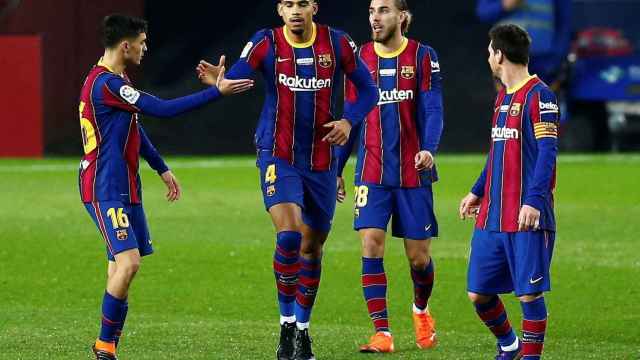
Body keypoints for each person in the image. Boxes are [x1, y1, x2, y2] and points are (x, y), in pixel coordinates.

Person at [197, 1, 378, 359]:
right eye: (288, 4)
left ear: (314, 7)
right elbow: (236, 75)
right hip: (277, 154)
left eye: (302, 3)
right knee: (290, 234)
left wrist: (348, 121)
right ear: (280, 9)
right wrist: (220, 83)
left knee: (312, 248)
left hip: (322, 160)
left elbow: (369, 91)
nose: (295, 10)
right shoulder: (266, 43)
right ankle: (285, 325)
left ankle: (303, 329)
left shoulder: (338, 43)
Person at [80, 14, 253, 360]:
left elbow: (133, 127)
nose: (146, 49)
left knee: (119, 267)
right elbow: (161, 109)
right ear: (126, 45)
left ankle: (108, 345)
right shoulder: (106, 84)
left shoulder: (116, 78)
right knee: (128, 264)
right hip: (104, 186)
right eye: (142, 43)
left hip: (124, 184)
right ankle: (104, 345)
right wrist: (215, 93)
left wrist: (161, 167)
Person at [334, 0, 443, 353]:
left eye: (383, 10)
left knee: (418, 259)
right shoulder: (359, 57)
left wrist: (429, 147)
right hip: (372, 171)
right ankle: (382, 332)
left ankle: (421, 309)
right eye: (371, 10)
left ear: (402, 16)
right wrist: (336, 169)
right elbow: (350, 116)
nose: (375, 17)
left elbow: (433, 108)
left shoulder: (423, 56)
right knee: (370, 244)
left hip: (414, 171)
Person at [459, 24, 559, 359]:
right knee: (478, 293)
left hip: (525, 217)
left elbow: (547, 152)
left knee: (529, 296)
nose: (488, 56)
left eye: (490, 51)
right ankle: (510, 345)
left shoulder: (539, 95)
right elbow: (497, 151)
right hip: (492, 215)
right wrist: (477, 191)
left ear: (499, 55)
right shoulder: (502, 98)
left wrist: (533, 201)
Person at [476, 0, 571, 87]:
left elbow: (564, 22)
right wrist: (504, 5)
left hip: (543, 61)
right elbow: (483, 12)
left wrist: (557, 57)